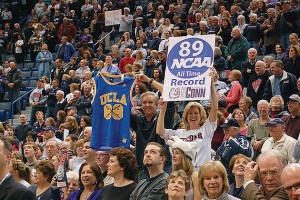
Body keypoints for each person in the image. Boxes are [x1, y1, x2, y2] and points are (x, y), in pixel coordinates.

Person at [156, 70, 218, 171]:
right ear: (186, 116)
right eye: (190, 113)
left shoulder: (206, 129)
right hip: (184, 175)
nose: (193, 116)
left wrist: (211, 84)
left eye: (196, 113)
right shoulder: (179, 133)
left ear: (201, 115)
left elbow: (214, 108)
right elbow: (159, 131)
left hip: (202, 174)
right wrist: (162, 110)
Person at [130, 74, 174, 181]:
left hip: (164, 167)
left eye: (150, 102)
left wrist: (147, 79)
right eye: (144, 102)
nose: (147, 105)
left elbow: (167, 92)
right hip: (143, 168)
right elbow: (123, 107)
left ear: (157, 104)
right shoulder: (138, 120)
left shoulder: (163, 116)